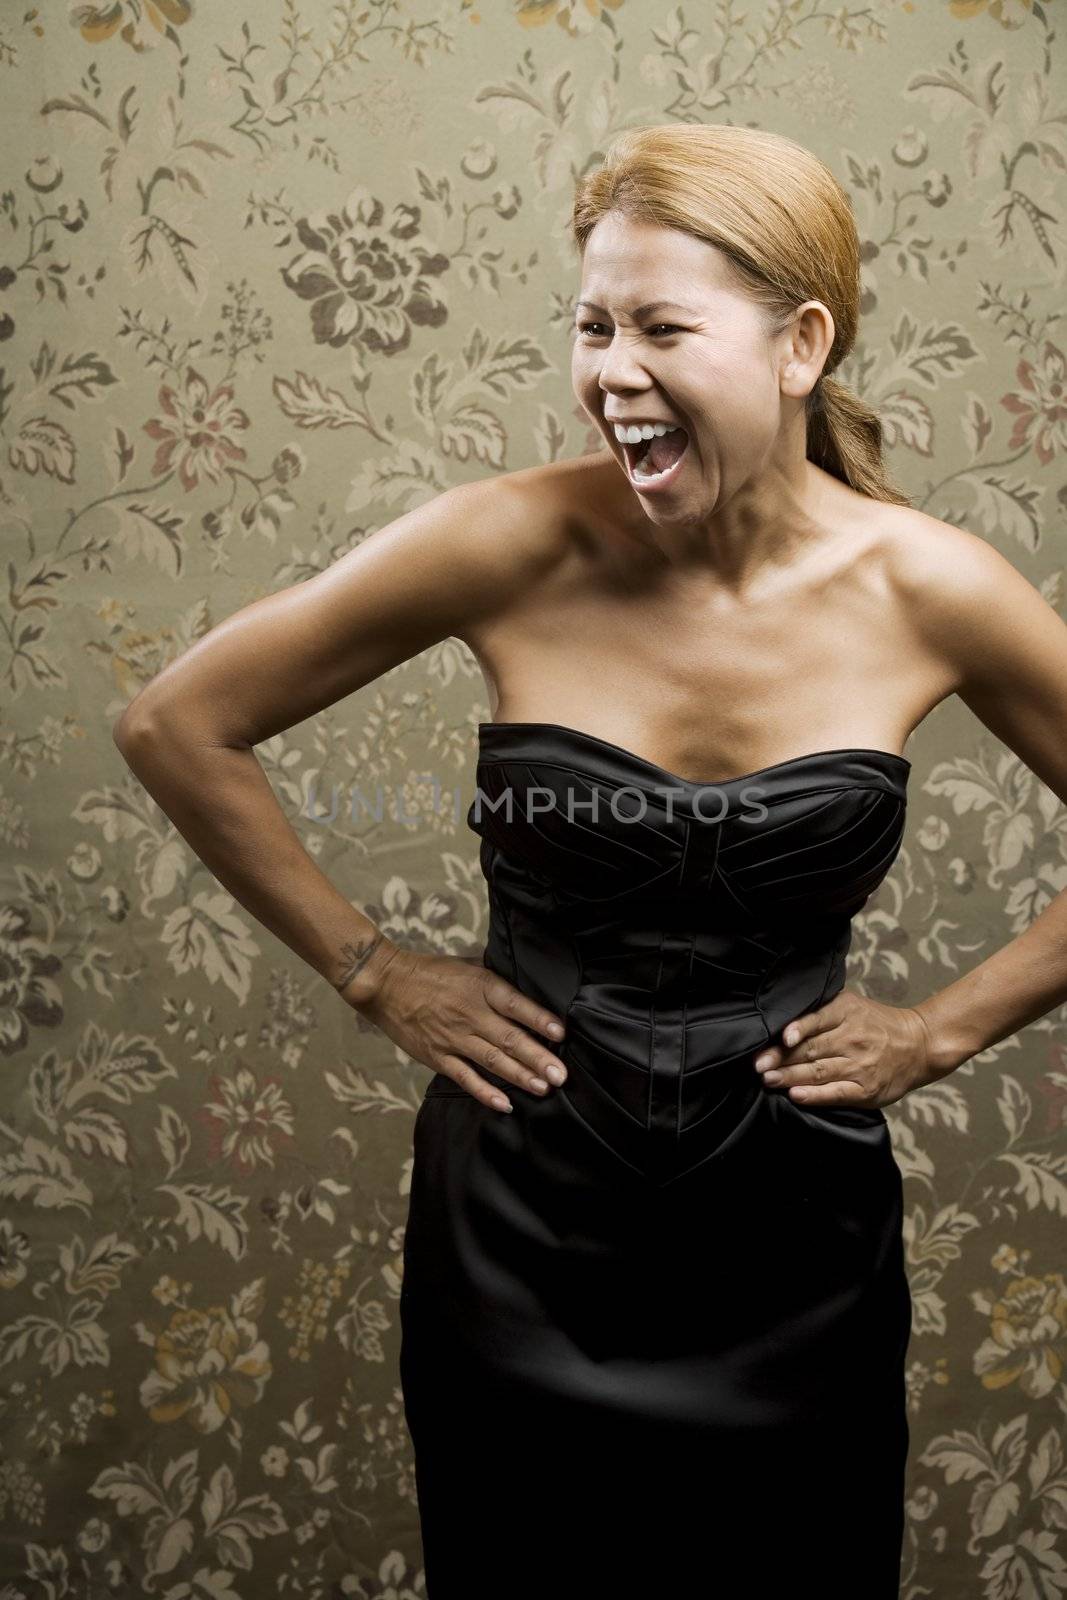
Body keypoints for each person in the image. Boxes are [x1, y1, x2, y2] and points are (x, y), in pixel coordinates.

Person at [112, 123, 1067, 1599]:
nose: (612, 371)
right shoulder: (506, 541)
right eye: (592, 323)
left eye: (661, 327)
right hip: (523, 1218)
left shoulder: (928, 584)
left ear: (801, 342)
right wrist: (372, 973)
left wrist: (943, 1030)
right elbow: (179, 724)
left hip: (793, 1233)